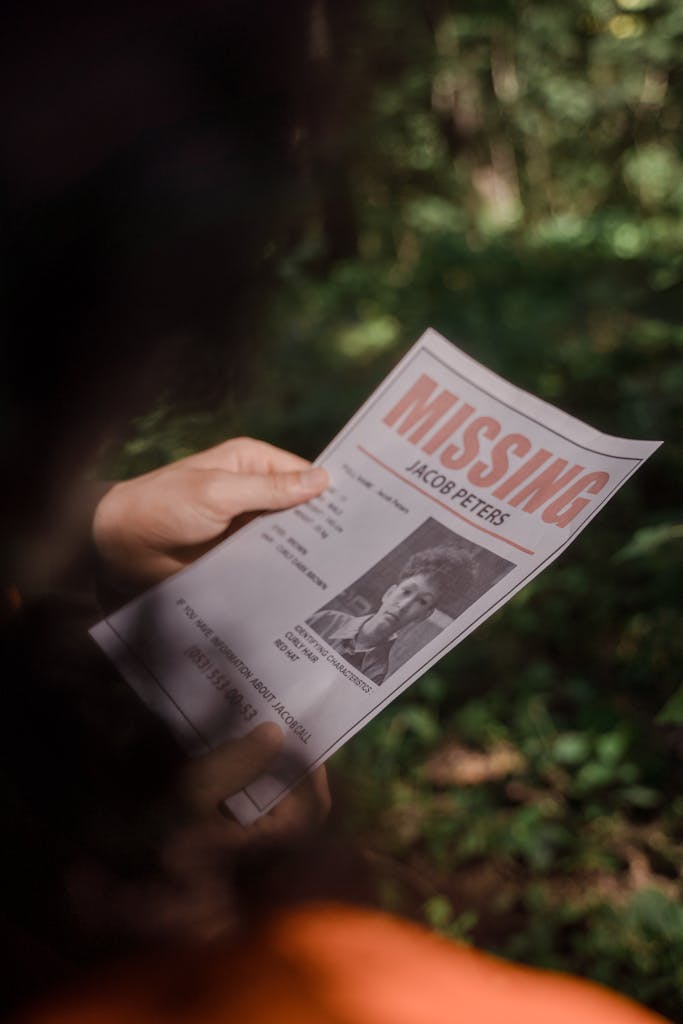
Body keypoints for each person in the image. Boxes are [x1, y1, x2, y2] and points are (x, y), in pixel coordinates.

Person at [307, 546, 476, 684]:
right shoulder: (326, 619)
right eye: (406, 591)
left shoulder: (376, 675)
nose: (403, 606)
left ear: (424, 615)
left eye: (422, 602)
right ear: (389, 593)